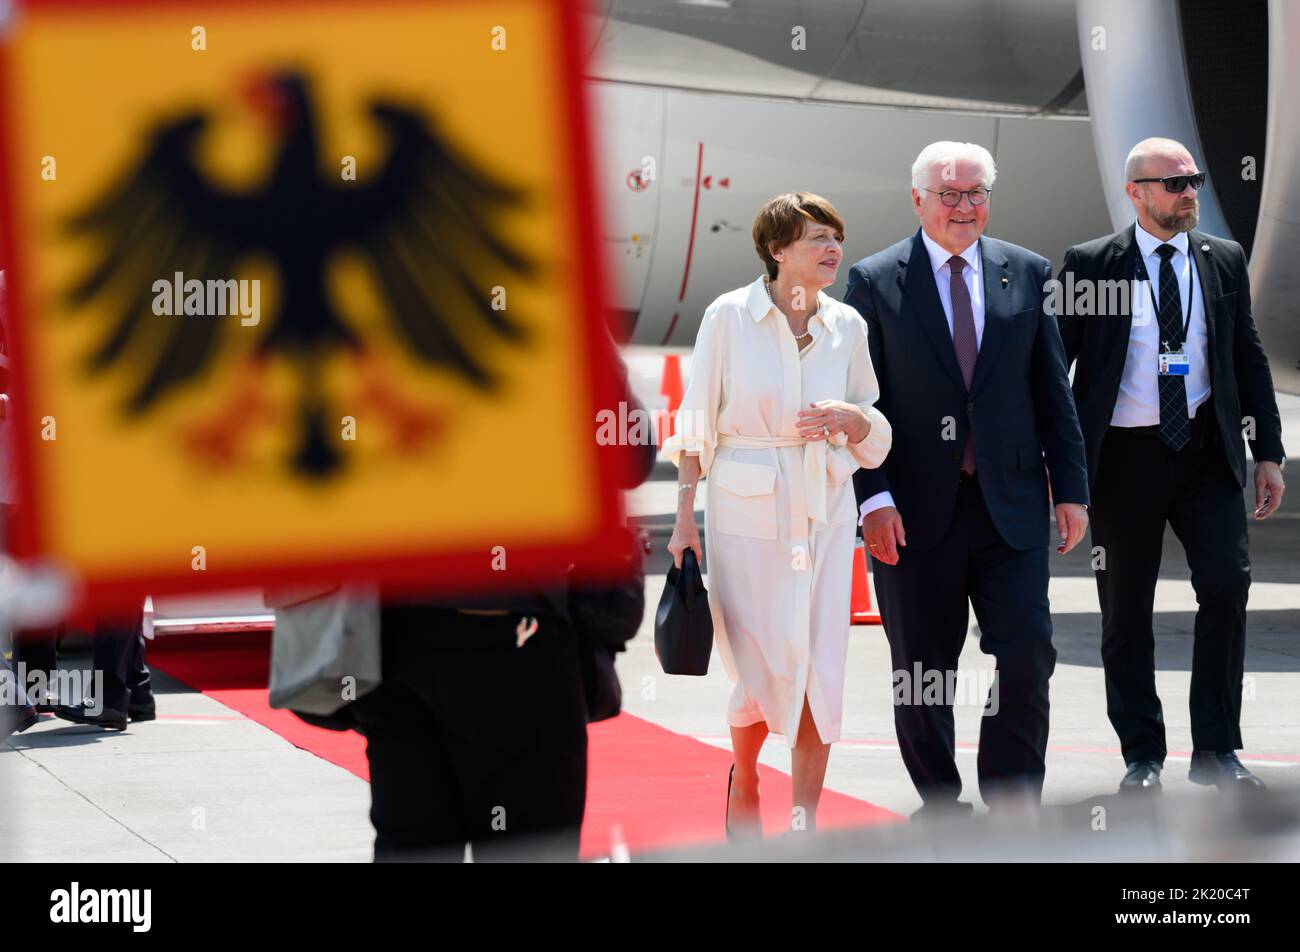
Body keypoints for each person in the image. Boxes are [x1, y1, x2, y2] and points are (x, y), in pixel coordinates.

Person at [846, 142, 1089, 816]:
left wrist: (1071, 488)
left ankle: (1012, 799)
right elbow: (860, 406)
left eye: (976, 192)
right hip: (913, 512)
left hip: (1008, 506)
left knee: (1027, 653)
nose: (964, 206)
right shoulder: (875, 280)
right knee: (923, 670)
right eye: (949, 193)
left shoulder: (1027, 271)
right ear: (918, 198)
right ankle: (940, 803)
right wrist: (874, 499)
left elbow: (1052, 393)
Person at [1057, 137, 1286, 795]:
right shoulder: (1092, 265)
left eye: (1194, 180)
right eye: (1175, 183)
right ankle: (1142, 754)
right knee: (1124, 610)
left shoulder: (1222, 260)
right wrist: (1056, 464)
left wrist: (1266, 451)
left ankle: (1216, 748)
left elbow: (1247, 356)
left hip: (1206, 456)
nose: (1190, 193)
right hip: (1123, 462)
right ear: (1136, 192)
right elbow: (1055, 369)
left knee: (1226, 586)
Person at [664, 193, 892, 837]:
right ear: (776, 249)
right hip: (745, 514)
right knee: (759, 666)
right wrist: (684, 518)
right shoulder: (728, 317)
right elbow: (696, 422)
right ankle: (746, 772)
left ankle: (804, 828)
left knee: (819, 666)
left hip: (823, 507)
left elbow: (871, 416)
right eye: (817, 237)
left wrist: (853, 421)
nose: (832, 250)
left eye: (836, 238)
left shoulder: (848, 324)